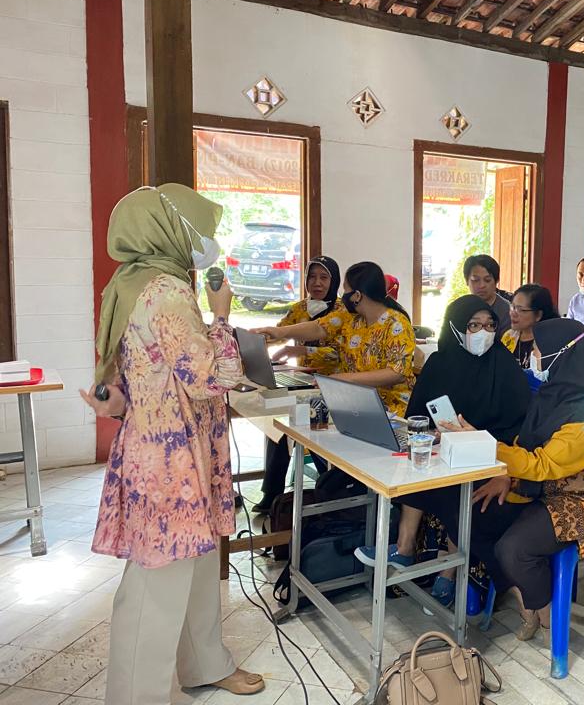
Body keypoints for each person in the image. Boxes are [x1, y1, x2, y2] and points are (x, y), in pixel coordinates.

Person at [80, 184, 264, 705]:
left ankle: (204, 664)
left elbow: (137, 371)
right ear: (170, 231)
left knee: (197, 565)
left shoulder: (131, 284)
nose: (208, 242)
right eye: (201, 230)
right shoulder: (168, 293)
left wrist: (119, 399)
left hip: (170, 447)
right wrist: (222, 316)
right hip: (171, 461)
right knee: (156, 590)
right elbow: (212, 377)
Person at [393, 319, 584, 640]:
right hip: (540, 490)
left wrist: (485, 444)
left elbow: (543, 464)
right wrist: (505, 473)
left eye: (538, 351)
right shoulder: (557, 393)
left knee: (513, 549)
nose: (534, 358)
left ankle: (547, 619)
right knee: (466, 512)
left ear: (561, 354)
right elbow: (526, 445)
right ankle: (524, 595)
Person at [354, 295, 532, 604]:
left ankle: (448, 573)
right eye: (474, 326)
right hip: (445, 448)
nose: (484, 333)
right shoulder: (439, 362)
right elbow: (417, 414)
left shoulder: (503, 364)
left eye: (490, 325)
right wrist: (433, 433)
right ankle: (404, 547)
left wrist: (485, 448)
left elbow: (521, 425)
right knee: (414, 465)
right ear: (456, 327)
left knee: (455, 487)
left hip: (492, 453)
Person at [256, 261, 416, 416]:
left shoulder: (397, 324)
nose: (344, 296)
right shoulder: (350, 316)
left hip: (391, 410)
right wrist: (280, 332)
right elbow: (319, 327)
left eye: (346, 290)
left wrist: (343, 379)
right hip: (355, 403)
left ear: (357, 295)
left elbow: (396, 373)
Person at [251, 256, 342, 514]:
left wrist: (300, 349)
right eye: (312, 277)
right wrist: (255, 340)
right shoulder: (300, 309)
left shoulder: (342, 313)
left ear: (334, 281)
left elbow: (338, 355)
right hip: (302, 383)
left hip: (331, 386)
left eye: (324, 277)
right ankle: (272, 492)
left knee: (314, 426)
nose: (317, 283)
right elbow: (278, 333)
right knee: (278, 423)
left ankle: (328, 490)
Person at [501, 283, 559, 369]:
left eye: (521, 310)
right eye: (513, 307)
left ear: (538, 315)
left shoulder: (550, 343)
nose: (513, 314)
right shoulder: (509, 337)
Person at [463, 254, 512, 337]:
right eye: (475, 280)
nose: (482, 285)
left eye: (487, 280)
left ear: (497, 281)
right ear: (467, 281)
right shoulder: (459, 308)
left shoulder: (508, 313)